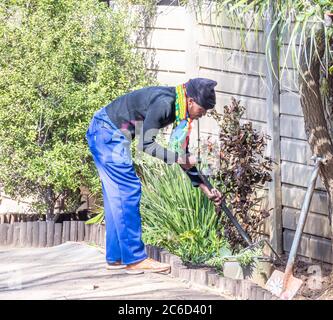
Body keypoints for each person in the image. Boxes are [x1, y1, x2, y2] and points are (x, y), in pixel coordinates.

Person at [85, 78, 222, 274]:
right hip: (107, 133)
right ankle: (134, 259)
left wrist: (205, 188)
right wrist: (178, 158)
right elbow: (146, 145)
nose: (204, 114)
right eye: (203, 109)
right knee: (128, 191)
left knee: (116, 197)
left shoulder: (180, 110)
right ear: (191, 101)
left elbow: (182, 157)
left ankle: (117, 257)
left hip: (106, 132)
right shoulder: (165, 104)